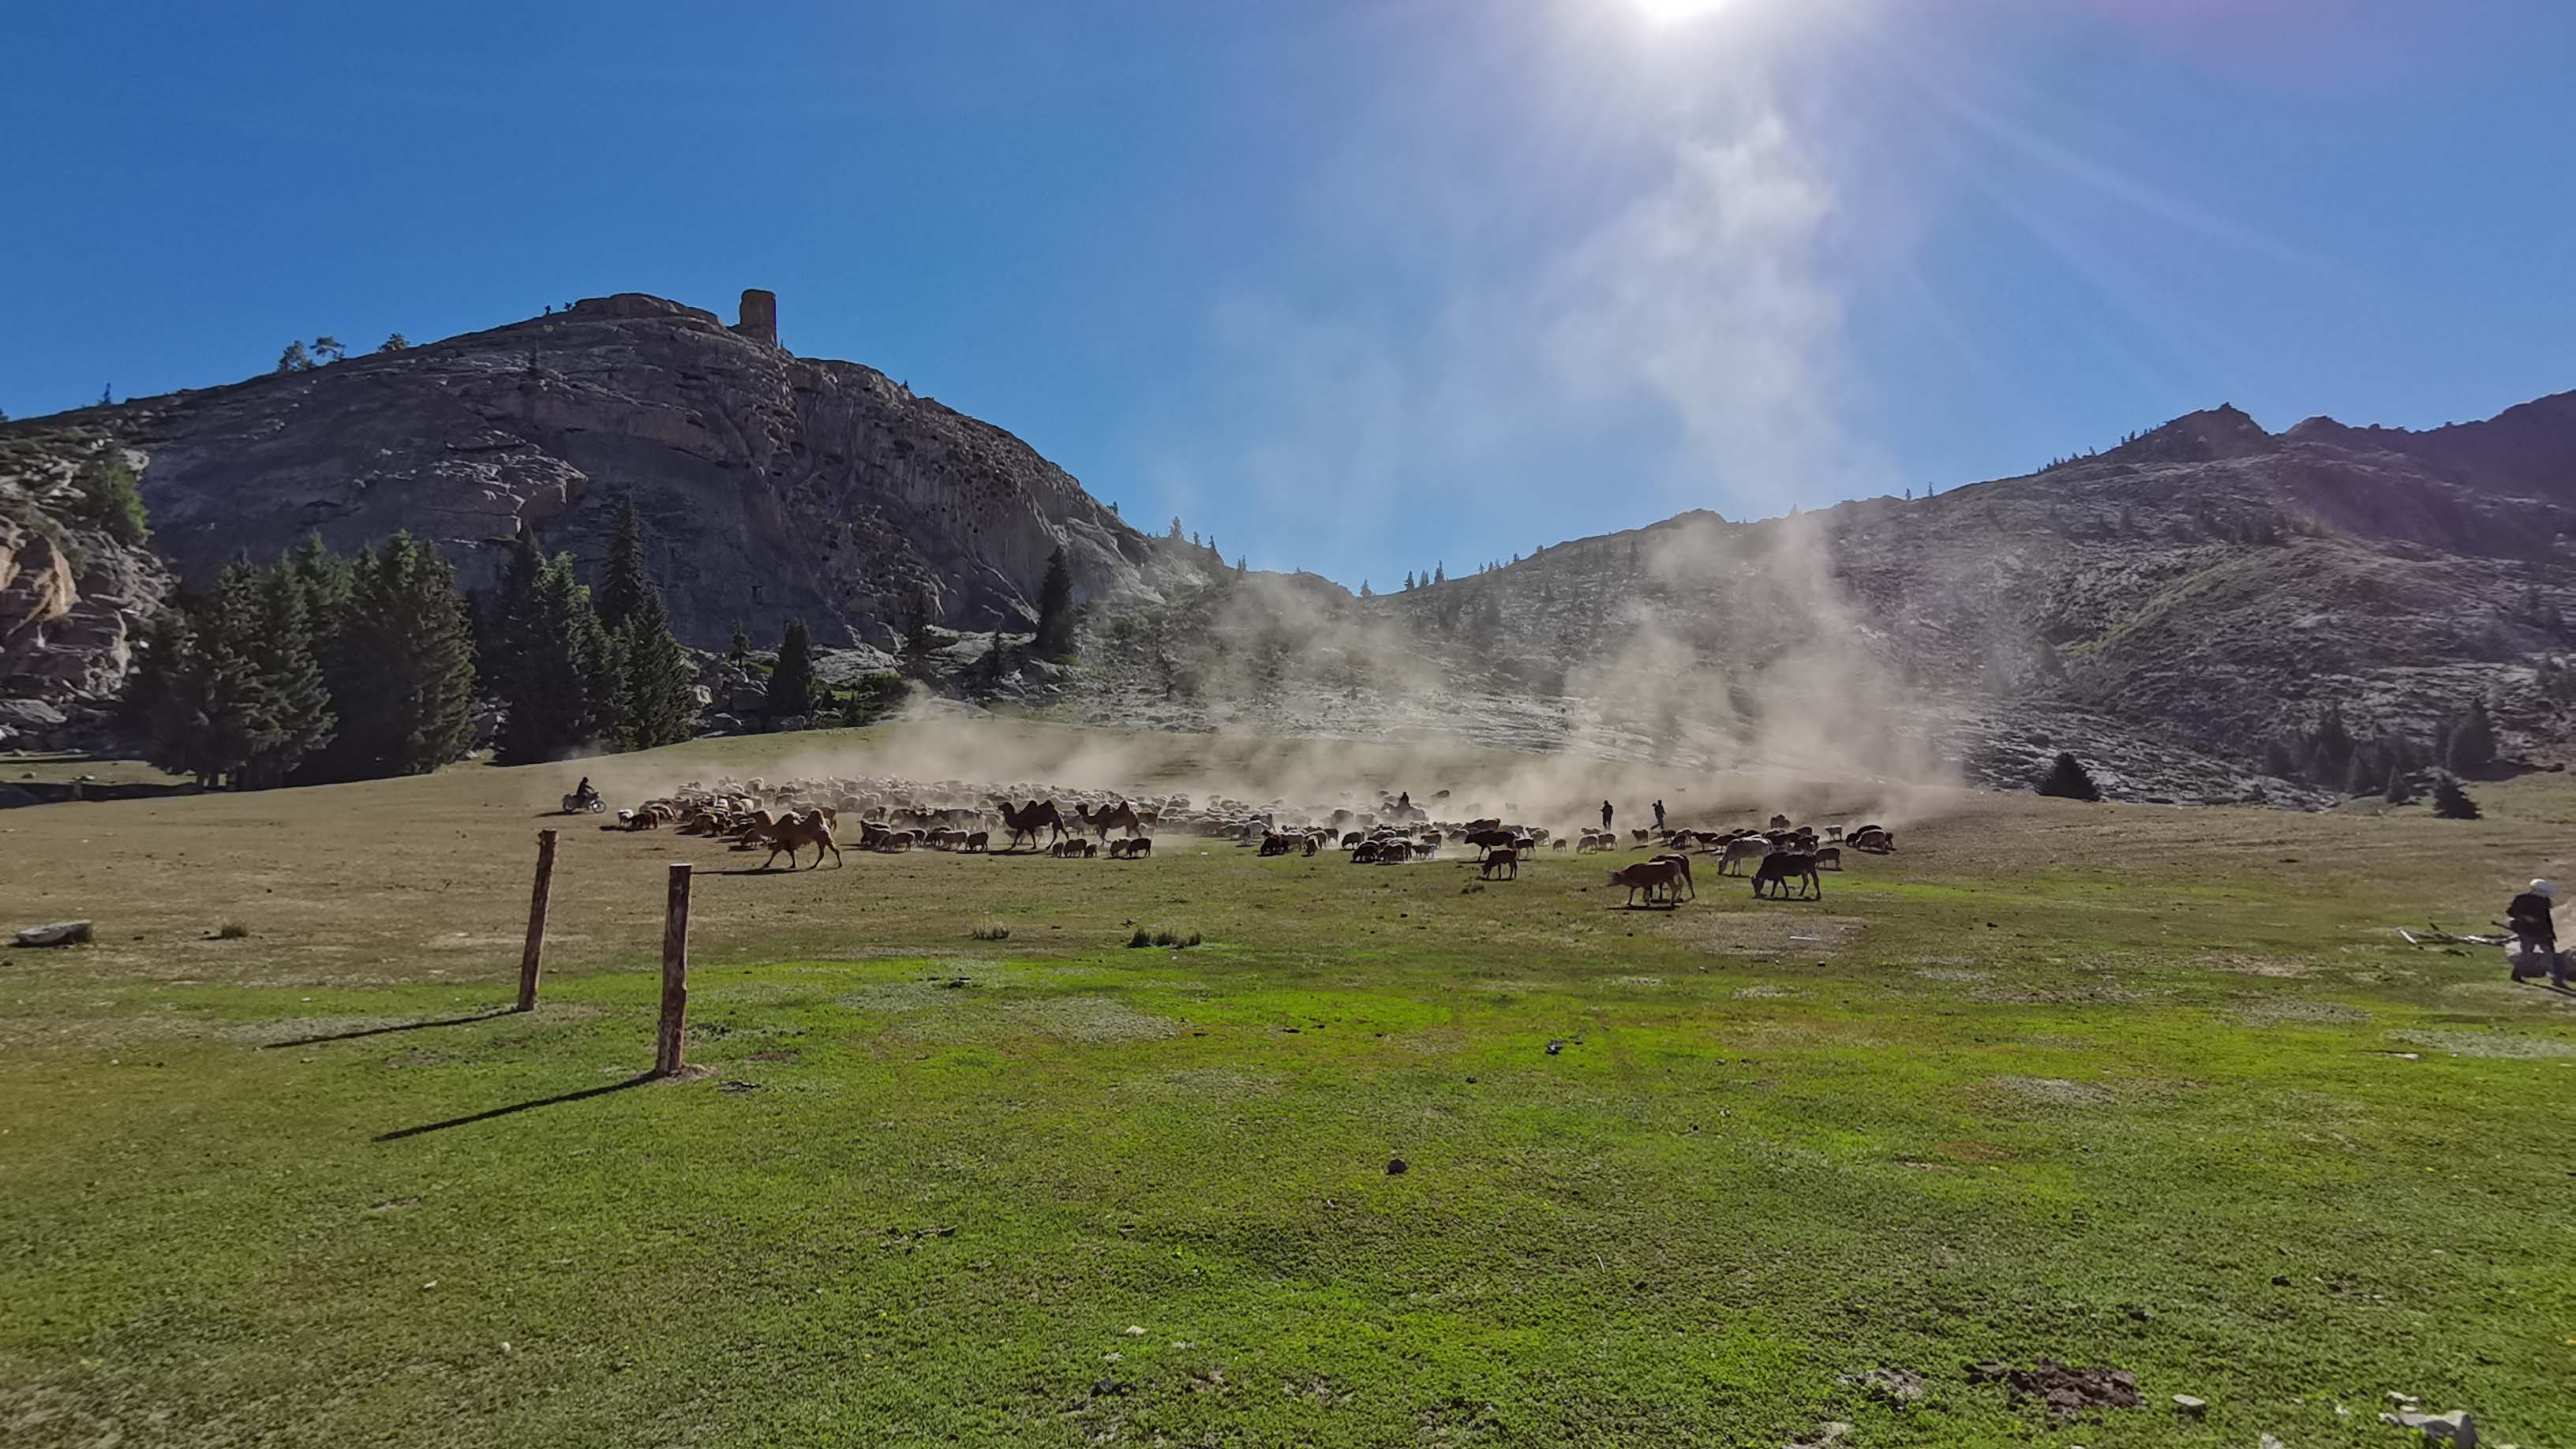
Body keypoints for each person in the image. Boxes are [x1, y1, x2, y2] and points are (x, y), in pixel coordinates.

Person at [2505, 878, 2567, 986]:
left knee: (2552, 955)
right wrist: (2525, 917)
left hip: (2542, 932)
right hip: (2527, 931)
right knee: (2527, 954)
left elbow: (2546, 918)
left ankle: (2556, 979)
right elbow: (2511, 912)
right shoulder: (2522, 900)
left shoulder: (2545, 902)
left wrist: (2550, 933)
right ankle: (2516, 975)